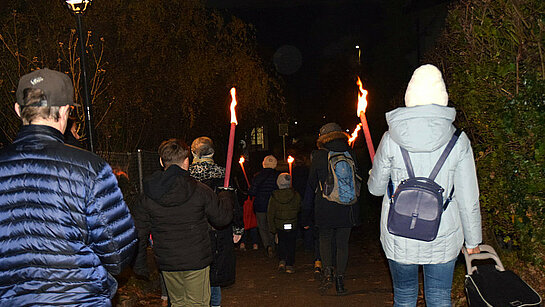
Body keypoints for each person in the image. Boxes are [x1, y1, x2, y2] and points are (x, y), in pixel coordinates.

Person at [0, 68, 137, 306]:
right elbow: (118, 252)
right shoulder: (89, 168)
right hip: (78, 299)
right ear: (65, 110)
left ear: (18, 109)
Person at [367, 64, 482, 306]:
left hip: (398, 234)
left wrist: (374, 172)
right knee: (440, 298)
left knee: (405, 296)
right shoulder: (459, 141)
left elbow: (375, 189)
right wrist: (473, 242)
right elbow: (468, 197)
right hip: (443, 234)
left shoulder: (390, 138)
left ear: (410, 96)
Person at [133, 138, 234, 307]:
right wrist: (225, 196)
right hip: (196, 260)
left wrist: (139, 263)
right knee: (197, 304)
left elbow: (139, 231)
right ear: (187, 162)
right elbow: (222, 218)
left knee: (178, 303)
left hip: (167, 261)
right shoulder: (200, 190)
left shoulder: (148, 195)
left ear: (161, 161)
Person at [302, 122, 362, 296]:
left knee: (325, 239)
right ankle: (340, 280)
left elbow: (312, 184)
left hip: (325, 206)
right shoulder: (350, 153)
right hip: (348, 207)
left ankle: (327, 273)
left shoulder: (320, 156)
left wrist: (306, 214)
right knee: (343, 244)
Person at [189, 136, 243, 307]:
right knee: (215, 276)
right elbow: (232, 203)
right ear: (212, 152)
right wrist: (237, 228)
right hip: (218, 229)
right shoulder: (223, 175)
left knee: (196, 275)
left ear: (192, 152)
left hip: (193, 230)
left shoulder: (185, 176)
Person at [268, 173, 301, 274]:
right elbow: (299, 208)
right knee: (291, 244)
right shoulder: (295, 195)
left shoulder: (274, 196)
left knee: (281, 242)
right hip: (292, 223)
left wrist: (272, 228)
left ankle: (282, 261)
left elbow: (270, 212)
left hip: (279, 224)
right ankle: (289, 264)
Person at [248, 155, 279, 257]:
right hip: (273, 204)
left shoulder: (258, 176)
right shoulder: (278, 176)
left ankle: (267, 245)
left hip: (260, 204)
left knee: (262, 226)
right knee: (271, 225)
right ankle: (272, 244)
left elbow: (252, 192)